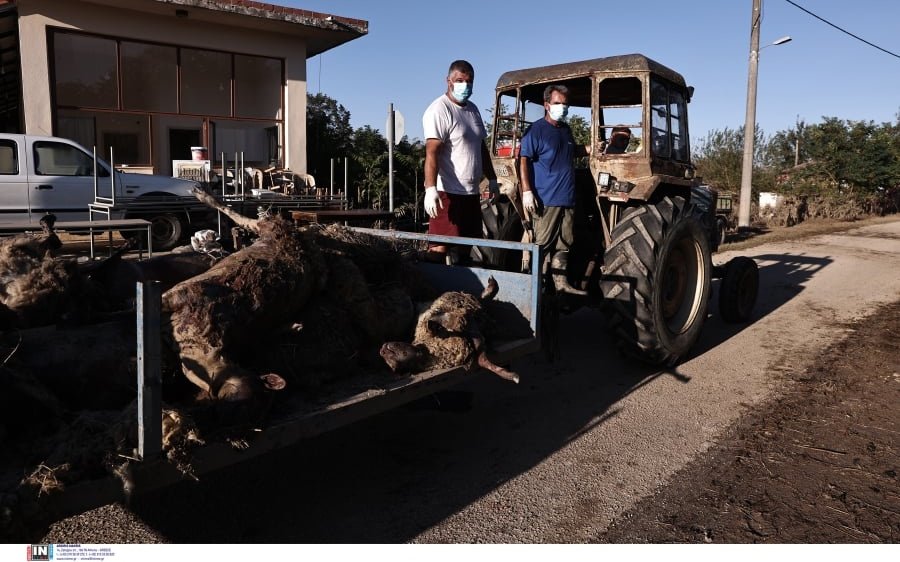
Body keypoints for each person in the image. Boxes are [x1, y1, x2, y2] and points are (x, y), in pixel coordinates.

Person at [422, 59, 498, 263]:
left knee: (467, 247)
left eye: (469, 81)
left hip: (471, 192)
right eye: (460, 80)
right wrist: (430, 189)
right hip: (448, 193)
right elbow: (432, 152)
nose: (465, 85)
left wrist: (492, 178)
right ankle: (433, 291)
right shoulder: (440, 110)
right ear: (449, 81)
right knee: (439, 248)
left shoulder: (473, 109)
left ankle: (463, 292)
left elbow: (480, 146)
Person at [518, 84, 590, 295]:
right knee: (542, 244)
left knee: (564, 243)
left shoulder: (566, 130)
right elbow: (523, 160)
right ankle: (534, 288)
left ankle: (561, 284)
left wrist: (587, 149)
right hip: (545, 199)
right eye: (558, 103)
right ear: (547, 105)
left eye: (565, 104)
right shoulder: (536, 130)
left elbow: (568, 152)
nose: (562, 107)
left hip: (567, 198)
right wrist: (527, 191)